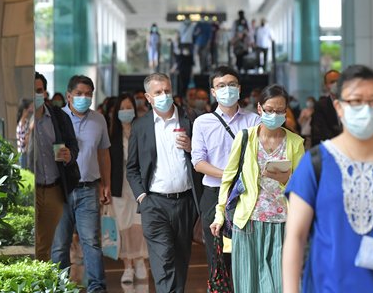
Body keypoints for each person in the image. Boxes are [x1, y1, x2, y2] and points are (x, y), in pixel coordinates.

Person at [282, 65, 373, 292]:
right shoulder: (315, 164)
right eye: (356, 101)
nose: (366, 108)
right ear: (339, 107)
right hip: (329, 286)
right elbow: (295, 237)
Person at [211, 84, 305, 291]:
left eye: (280, 111)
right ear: (260, 108)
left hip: (282, 223)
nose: (274, 115)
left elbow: (302, 188)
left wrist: (287, 179)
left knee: (280, 284)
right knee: (248, 284)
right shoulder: (245, 137)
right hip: (248, 222)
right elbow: (228, 179)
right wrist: (219, 215)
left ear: (286, 111)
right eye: (269, 110)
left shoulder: (295, 143)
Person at [126, 72, 199, 293]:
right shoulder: (141, 126)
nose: (164, 95)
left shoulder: (191, 119)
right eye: (158, 92)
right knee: (164, 257)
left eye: (167, 90)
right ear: (148, 97)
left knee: (180, 258)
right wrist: (142, 198)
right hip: (155, 204)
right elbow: (132, 168)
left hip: (186, 202)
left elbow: (205, 158)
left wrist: (191, 147)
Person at [191, 66, 260, 272]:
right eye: (221, 86)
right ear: (213, 92)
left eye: (231, 84)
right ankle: (220, 285)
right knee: (218, 257)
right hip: (214, 195)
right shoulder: (203, 122)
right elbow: (198, 162)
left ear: (239, 88)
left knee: (245, 255)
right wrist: (229, 176)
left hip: (247, 196)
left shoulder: (254, 121)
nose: (227, 89)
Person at [51, 75, 112, 293]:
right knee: (60, 244)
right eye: (79, 94)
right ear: (69, 96)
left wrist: (106, 184)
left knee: (91, 242)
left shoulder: (99, 120)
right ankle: (59, 286)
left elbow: (104, 154)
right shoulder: (56, 119)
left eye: (88, 94)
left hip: (88, 188)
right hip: (60, 190)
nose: (83, 98)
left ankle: (97, 287)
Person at [33, 72, 80, 262]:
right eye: (32, 91)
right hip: (30, 189)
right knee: (30, 242)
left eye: (39, 90)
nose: (36, 95)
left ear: (45, 92)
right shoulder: (20, 118)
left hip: (54, 188)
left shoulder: (58, 117)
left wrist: (69, 155)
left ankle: (40, 279)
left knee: (45, 245)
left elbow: (73, 144)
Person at [109, 93, 149, 284]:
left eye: (129, 107)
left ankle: (140, 260)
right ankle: (127, 266)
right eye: (122, 108)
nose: (126, 111)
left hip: (138, 186)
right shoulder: (112, 135)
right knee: (123, 226)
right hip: (119, 186)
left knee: (138, 224)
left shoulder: (141, 130)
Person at [311, 70, 342, 146]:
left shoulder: (352, 102)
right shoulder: (320, 106)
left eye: (338, 81)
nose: (336, 84)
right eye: (332, 82)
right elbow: (319, 132)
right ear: (326, 85)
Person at [16, 98, 34, 169]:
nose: (32, 109)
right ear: (25, 110)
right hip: (22, 154)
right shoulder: (21, 125)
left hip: (26, 153)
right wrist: (30, 129)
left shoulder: (26, 122)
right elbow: (24, 141)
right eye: (30, 107)